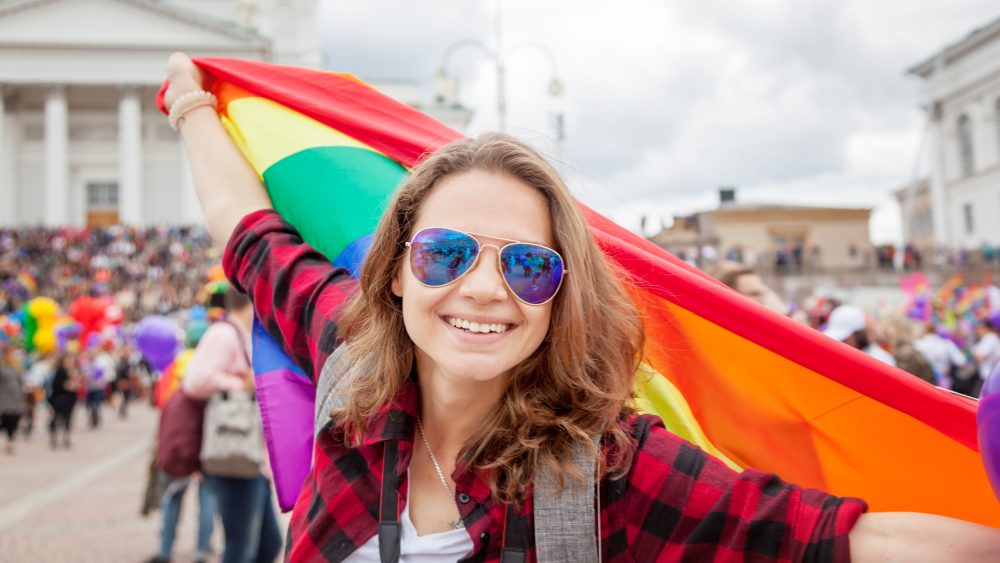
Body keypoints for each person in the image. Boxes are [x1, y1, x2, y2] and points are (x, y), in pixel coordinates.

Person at [164, 52, 1000, 561]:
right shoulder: (348, 352)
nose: (485, 289)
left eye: (526, 264)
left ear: (558, 291)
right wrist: (194, 100)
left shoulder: (612, 468)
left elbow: (845, 540)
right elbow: (248, 232)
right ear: (396, 271)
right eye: (447, 254)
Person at [181, 288, 281, 563]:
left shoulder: (241, 334)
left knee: (267, 544)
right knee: (242, 547)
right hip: (233, 452)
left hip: (249, 455)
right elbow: (194, 381)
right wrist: (239, 384)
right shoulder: (225, 334)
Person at [822, 304, 897, 366]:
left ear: (857, 334)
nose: (840, 343)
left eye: (845, 339)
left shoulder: (881, 361)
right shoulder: (835, 359)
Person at [47, 353, 77, 449]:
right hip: (62, 399)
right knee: (62, 419)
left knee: (60, 419)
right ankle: (60, 438)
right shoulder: (62, 372)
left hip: (60, 399)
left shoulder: (60, 371)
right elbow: (61, 385)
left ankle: (59, 438)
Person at [0, 337, 24, 454]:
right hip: (3, 400)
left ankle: (9, 443)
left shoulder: (17, 367)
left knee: (13, 423)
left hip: (15, 400)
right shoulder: (1, 366)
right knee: (4, 422)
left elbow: (20, 383)